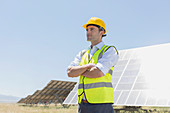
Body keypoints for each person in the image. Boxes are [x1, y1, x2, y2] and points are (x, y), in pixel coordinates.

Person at [67, 17, 119, 113]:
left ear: (101, 32)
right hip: (83, 104)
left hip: (102, 104)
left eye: (92, 29)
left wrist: (79, 71)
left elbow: (98, 73)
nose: (88, 32)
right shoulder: (82, 53)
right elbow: (70, 73)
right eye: (87, 30)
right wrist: (87, 66)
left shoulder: (109, 50)